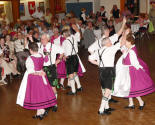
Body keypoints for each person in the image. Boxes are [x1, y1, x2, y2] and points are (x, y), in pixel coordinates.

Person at [88, 18, 126, 115]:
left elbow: (90, 58)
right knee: (108, 90)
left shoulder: (99, 50)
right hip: (108, 70)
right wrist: (125, 34)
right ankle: (101, 109)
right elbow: (121, 43)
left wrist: (99, 64)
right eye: (109, 41)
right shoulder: (111, 49)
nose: (111, 42)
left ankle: (106, 107)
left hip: (101, 70)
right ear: (107, 43)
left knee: (105, 90)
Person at [113, 33, 155, 110]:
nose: (125, 43)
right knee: (129, 88)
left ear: (130, 42)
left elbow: (135, 63)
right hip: (127, 71)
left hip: (131, 71)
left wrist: (140, 68)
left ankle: (140, 102)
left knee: (132, 88)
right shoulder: (129, 48)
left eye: (126, 41)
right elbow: (123, 49)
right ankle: (131, 103)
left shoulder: (132, 51)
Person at [16, 43, 57, 120]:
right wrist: (41, 72)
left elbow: (31, 71)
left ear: (30, 50)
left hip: (34, 78)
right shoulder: (41, 55)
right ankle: (40, 112)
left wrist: (38, 73)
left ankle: (40, 112)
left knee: (37, 95)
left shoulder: (30, 58)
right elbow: (42, 64)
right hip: (41, 76)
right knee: (40, 94)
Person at [38, 33, 64, 112]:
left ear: (48, 39)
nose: (43, 41)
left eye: (44, 39)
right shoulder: (40, 46)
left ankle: (54, 104)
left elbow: (62, 51)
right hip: (42, 69)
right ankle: (48, 103)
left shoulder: (53, 46)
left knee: (53, 86)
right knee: (45, 86)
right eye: (41, 39)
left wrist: (58, 60)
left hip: (51, 68)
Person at [62, 24, 86, 95]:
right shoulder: (73, 37)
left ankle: (73, 91)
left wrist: (63, 57)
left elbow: (63, 52)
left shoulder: (65, 42)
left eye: (63, 34)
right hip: (76, 57)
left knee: (70, 74)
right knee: (75, 73)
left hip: (70, 59)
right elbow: (78, 33)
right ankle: (79, 87)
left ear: (64, 34)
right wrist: (76, 28)